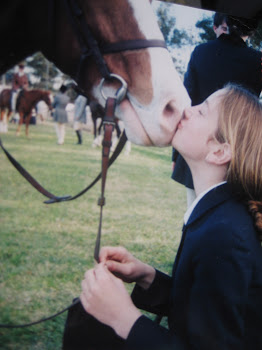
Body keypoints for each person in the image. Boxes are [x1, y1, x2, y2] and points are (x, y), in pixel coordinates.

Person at [79, 84, 262, 350]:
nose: (187, 111)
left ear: (219, 151)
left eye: (202, 111)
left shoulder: (225, 235)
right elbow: (203, 309)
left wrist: (124, 319)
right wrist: (147, 277)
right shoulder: (217, 215)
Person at [172, 14, 262, 207]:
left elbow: (186, 102)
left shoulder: (201, 52)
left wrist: (176, 155)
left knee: (194, 211)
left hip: (198, 144)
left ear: (226, 24)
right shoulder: (257, 61)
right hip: (241, 157)